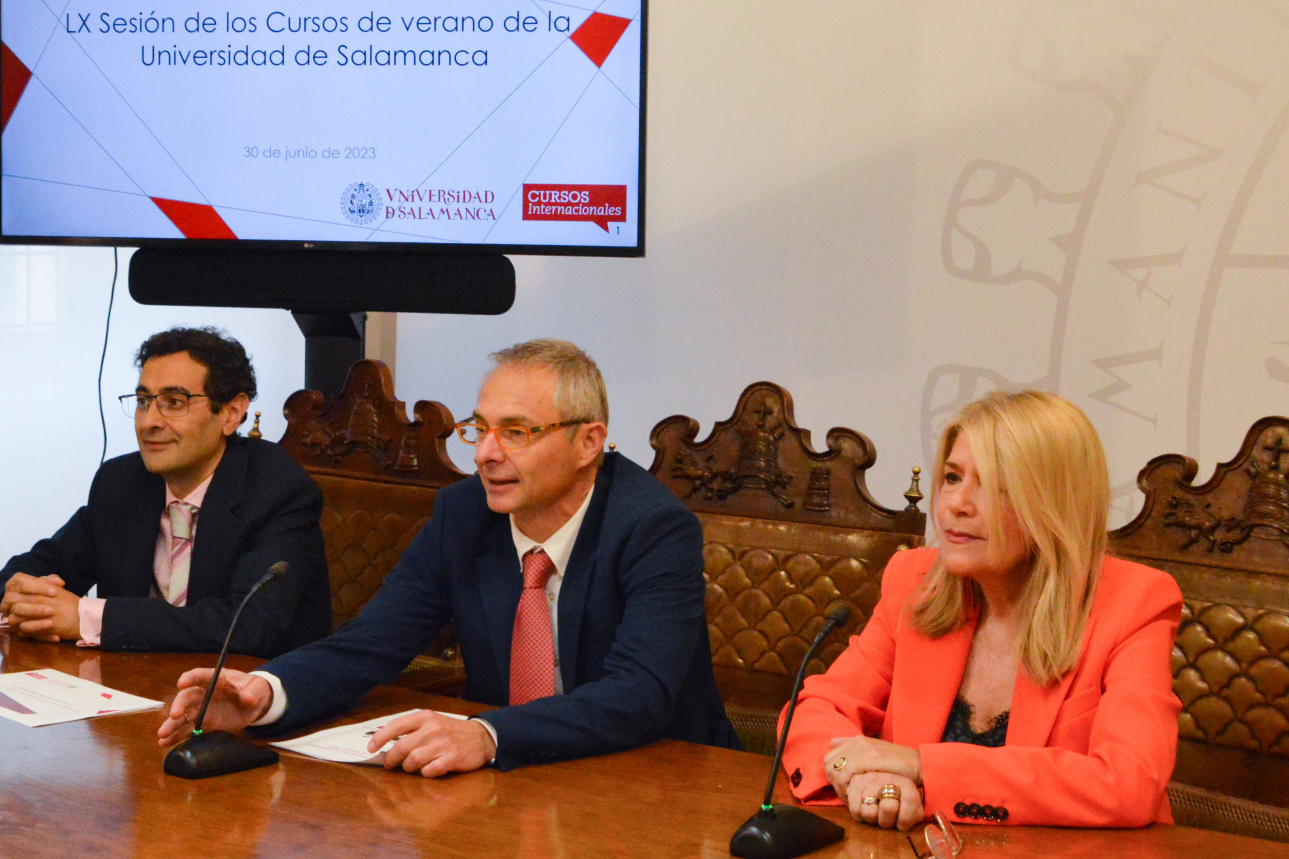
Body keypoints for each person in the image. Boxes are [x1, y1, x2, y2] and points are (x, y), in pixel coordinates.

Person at [157, 339, 740, 775]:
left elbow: (638, 695)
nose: (486, 454)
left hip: (658, 777)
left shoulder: (653, 528)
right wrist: (264, 693)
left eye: (516, 432)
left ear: (588, 442)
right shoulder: (464, 516)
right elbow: (373, 641)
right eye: (480, 429)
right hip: (511, 780)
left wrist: (487, 734)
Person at [781, 391, 1181, 829]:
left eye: (994, 484)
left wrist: (919, 766)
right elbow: (813, 711)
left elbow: (1128, 784)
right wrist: (855, 778)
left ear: (1054, 503)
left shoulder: (1136, 602)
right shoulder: (914, 582)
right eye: (952, 477)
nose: (956, 504)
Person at [0, 326, 329, 658]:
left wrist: (86, 617)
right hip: (128, 689)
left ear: (230, 413)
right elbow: (39, 564)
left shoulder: (278, 491)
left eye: (174, 402)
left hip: (245, 696)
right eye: (143, 401)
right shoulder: (121, 482)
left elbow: (247, 625)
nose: (148, 421)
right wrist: (21, 596)